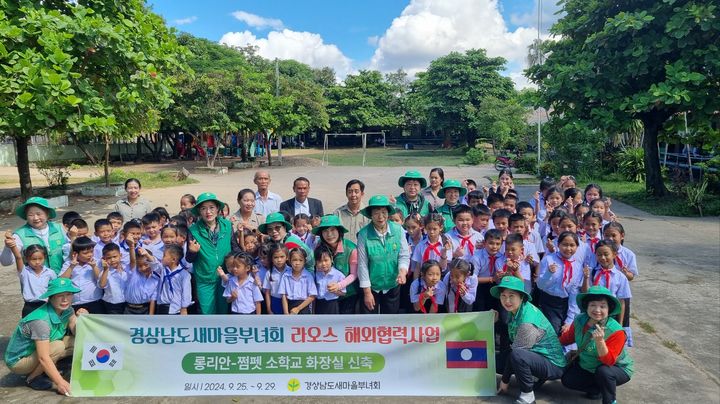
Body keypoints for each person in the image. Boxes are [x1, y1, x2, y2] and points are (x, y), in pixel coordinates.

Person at [4, 278, 86, 394]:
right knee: (58, 346)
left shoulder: (68, 310)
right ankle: (32, 378)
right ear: (50, 298)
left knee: (77, 342)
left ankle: (50, 368)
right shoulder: (40, 321)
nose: (65, 299)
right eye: (59, 296)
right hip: (19, 360)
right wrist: (60, 382)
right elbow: (43, 357)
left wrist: (82, 319)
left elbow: (75, 331)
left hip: (40, 349)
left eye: (68, 294)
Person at [492, 276, 566, 404]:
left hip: (553, 364)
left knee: (516, 355)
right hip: (536, 356)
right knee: (497, 362)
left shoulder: (528, 321)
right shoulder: (517, 310)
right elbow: (511, 335)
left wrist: (504, 381)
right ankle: (534, 377)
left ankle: (528, 395)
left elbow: (516, 353)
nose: (507, 300)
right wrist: (497, 321)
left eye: (511, 296)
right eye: (503, 296)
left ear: (521, 297)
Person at [560, 286, 634, 404]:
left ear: (609, 309)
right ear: (587, 306)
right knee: (568, 380)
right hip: (589, 366)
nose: (597, 310)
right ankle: (598, 389)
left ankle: (610, 400)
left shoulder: (616, 331)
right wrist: (549, 343)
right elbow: (568, 338)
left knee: (604, 372)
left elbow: (609, 361)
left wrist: (600, 342)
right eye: (593, 305)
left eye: (602, 306)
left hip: (616, 368)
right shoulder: (580, 319)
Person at [357, 195, 410, 314]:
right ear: (371, 215)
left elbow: (404, 255)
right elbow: (362, 265)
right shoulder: (363, 234)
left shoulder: (398, 229)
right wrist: (367, 292)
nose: (380, 216)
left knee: (391, 320)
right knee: (370, 322)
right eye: (376, 213)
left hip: (393, 283)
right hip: (372, 286)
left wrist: (402, 271)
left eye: (384, 212)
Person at [186, 192, 233, 314]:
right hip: (204, 278)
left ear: (217, 209)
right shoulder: (193, 230)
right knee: (207, 312)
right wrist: (192, 252)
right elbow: (189, 259)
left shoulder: (227, 225)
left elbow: (234, 248)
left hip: (225, 276)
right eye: (203, 208)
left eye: (212, 207)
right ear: (199, 211)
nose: (208, 212)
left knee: (224, 311)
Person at [1, 197, 65, 275]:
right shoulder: (19, 235)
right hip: (35, 284)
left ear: (47, 214)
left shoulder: (58, 228)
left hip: (61, 282)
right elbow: (6, 262)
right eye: (30, 215)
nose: (35, 218)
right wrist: (7, 247)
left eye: (39, 214)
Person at [536, 231, 584, 335]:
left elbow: (574, 293)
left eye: (572, 245)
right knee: (552, 331)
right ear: (558, 245)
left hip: (565, 303)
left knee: (565, 332)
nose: (568, 248)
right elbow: (540, 285)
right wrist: (548, 273)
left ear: (577, 246)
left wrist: (570, 319)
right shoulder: (549, 259)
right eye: (565, 244)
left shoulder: (578, 266)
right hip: (548, 301)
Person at [313, 215, 359, 314]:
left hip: (347, 295)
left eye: (333, 230)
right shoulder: (318, 246)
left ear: (339, 231)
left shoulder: (351, 248)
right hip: (326, 296)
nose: (329, 234)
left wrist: (339, 286)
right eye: (325, 231)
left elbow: (354, 274)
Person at [5, 241, 57, 318]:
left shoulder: (50, 273)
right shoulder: (24, 272)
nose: (37, 262)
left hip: (46, 306)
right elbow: (18, 257)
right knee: (28, 329)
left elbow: (54, 288)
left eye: (40, 259)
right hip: (30, 307)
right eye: (33, 259)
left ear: (45, 258)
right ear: (26, 259)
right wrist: (13, 246)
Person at [153, 245, 191, 315]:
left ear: (173, 259)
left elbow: (186, 292)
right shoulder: (163, 270)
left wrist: (184, 308)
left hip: (175, 309)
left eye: (164, 256)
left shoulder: (184, 274)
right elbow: (154, 265)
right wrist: (146, 254)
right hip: (161, 306)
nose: (162, 258)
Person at [278, 248, 317, 314]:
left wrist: (298, 308)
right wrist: (286, 313)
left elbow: (312, 296)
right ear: (290, 261)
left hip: (304, 306)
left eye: (300, 260)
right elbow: (283, 295)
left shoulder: (308, 276)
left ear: (305, 261)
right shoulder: (286, 276)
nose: (297, 263)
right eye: (294, 260)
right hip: (290, 306)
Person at [333, 179, 370, 243]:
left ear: (362, 194)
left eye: (356, 191)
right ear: (346, 194)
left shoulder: (369, 213)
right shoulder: (338, 213)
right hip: (344, 251)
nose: (353, 195)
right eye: (350, 192)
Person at [313, 245, 347, 314]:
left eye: (326, 260)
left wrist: (334, 291)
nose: (323, 264)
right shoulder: (315, 274)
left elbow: (343, 293)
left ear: (331, 259)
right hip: (318, 304)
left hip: (332, 304)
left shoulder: (338, 275)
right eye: (320, 261)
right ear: (316, 262)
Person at [262, 242, 291, 314]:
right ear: (271, 259)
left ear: (287, 257)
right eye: (276, 257)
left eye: (282, 257)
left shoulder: (291, 271)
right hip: (275, 302)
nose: (279, 260)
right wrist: (269, 309)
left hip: (290, 301)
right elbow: (267, 292)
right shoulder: (269, 273)